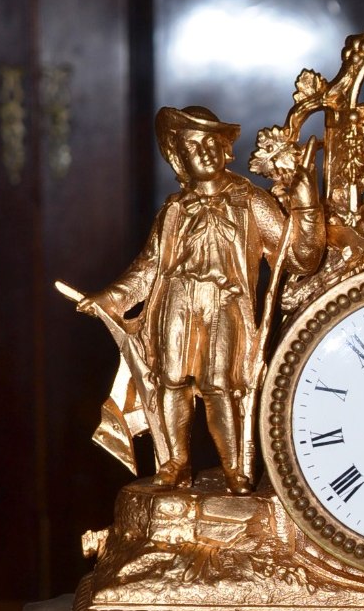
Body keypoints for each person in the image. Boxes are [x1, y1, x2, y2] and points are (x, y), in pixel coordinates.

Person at [79, 105, 324, 495]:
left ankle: (235, 468)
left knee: (218, 384)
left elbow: (300, 258)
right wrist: (107, 299)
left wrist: (308, 207)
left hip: (225, 302)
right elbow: (148, 268)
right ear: (180, 155)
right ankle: (176, 462)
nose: (205, 150)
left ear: (227, 149)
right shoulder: (174, 210)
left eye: (213, 141)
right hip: (175, 302)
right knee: (171, 380)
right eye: (194, 144)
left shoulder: (251, 201)